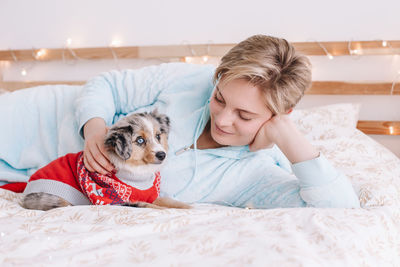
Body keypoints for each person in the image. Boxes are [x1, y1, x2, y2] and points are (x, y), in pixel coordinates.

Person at [0, 35, 360, 209]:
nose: (221, 119)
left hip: (42, 179)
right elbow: (105, 84)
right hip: (37, 120)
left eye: (245, 115)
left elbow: (342, 212)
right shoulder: (191, 79)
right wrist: (94, 128)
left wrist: (286, 135)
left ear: (278, 116)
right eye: (220, 98)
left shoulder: (257, 175)